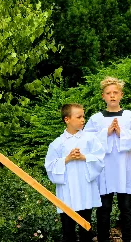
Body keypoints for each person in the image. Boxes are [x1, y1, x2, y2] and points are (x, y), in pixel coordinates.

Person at [84, 77, 131, 242]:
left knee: (127, 208)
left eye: (115, 93)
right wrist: (106, 132)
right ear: (102, 96)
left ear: (121, 95)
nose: (112, 96)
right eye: (108, 93)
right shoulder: (96, 119)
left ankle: (128, 239)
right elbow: (86, 140)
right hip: (104, 170)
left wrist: (121, 133)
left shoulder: (130, 116)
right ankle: (103, 239)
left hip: (124, 169)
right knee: (104, 208)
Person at [45, 103, 105, 242]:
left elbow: (100, 159)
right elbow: (50, 166)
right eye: (79, 117)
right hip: (67, 191)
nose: (83, 119)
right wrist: (67, 159)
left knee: (85, 225)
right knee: (68, 229)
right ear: (67, 119)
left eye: (83, 116)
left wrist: (84, 157)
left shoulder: (90, 139)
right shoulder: (57, 143)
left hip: (85, 190)